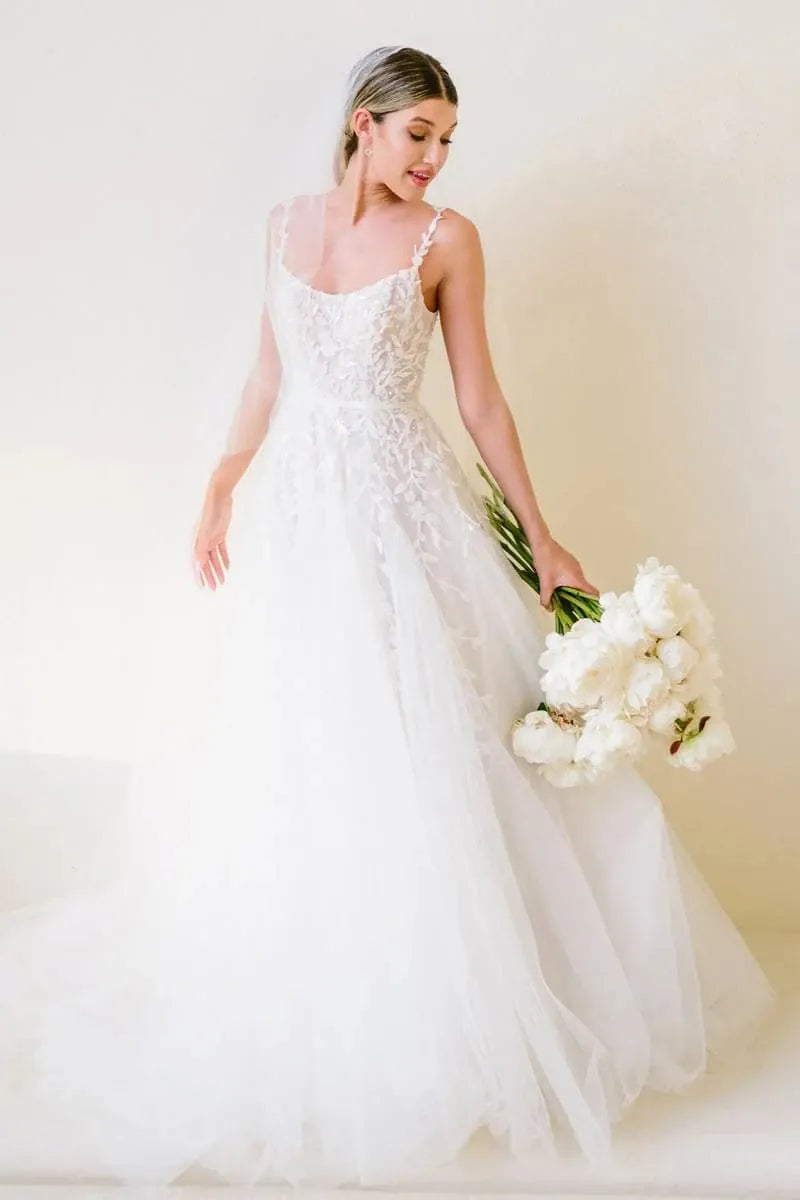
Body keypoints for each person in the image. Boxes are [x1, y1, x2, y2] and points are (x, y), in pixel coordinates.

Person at [0, 44, 776, 1189]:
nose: (435, 158)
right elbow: (267, 372)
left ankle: (467, 1009)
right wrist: (222, 480)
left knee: (427, 739)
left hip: (402, 509)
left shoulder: (446, 240)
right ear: (363, 123)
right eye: (419, 134)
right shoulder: (282, 224)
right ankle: (313, 993)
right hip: (299, 516)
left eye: (447, 140)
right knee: (303, 741)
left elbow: (478, 399)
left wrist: (542, 535)